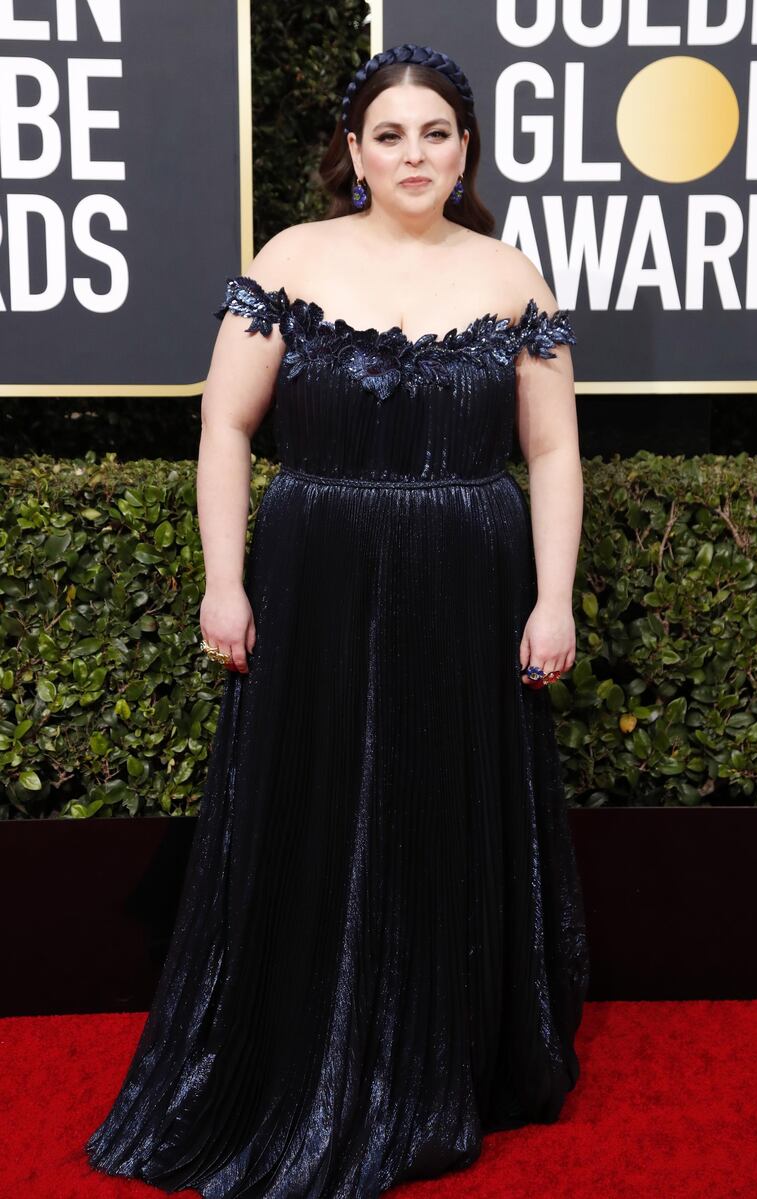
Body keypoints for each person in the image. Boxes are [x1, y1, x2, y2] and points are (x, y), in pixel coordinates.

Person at [84, 42, 590, 1199]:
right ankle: (303, 1053)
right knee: (313, 804)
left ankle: (440, 1052)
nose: (415, 154)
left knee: (441, 801)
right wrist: (226, 578)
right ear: (352, 153)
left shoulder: (513, 277)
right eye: (391, 135)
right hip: (313, 577)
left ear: (464, 150)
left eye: (437, 134)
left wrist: (550, 595)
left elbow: (554, 448)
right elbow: (224, 427)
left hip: (468, 582)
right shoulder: (290, 258)